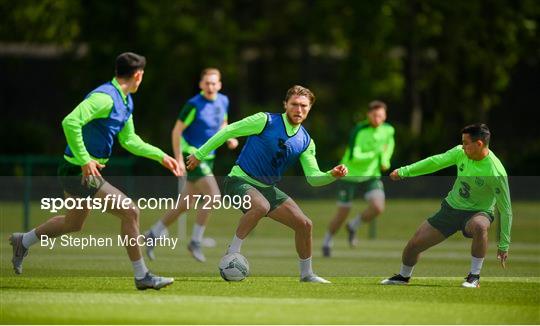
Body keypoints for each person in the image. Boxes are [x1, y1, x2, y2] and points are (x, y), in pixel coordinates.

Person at [9, 52, 180, 290]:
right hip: (76, 171)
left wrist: (161, 156)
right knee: (130, 212)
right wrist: (84, 159)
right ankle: (142, 276)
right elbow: (70, 122)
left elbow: (129, 140)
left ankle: (23, 241)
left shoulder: (125, 100)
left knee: (73, 224)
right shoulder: (105, 98)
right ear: (138, 75)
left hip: (80, 170)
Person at [186, 85, 348, 283]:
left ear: (310, 108)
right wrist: (199, 154)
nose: (299, 109)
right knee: (260, 206)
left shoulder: (305, 141)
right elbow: (228, 131)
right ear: (285, 105)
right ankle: (233, 251)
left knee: (305, 224)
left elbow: (313, 178)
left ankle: (307, 274)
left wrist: (331, 174)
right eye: (294, 104)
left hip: (267, 189)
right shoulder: (265, 120)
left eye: (304, 106)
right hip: (238, 181)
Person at [381, 123, 512, 288]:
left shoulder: (496, 171)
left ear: (479, 144)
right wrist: (404, 171)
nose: (462, 147)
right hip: (450, 209)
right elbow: (435, 162)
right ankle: (403, 276)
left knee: (480, 226)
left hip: (478, 213)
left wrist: (504, 244)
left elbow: (505, 209)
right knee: (413, 246)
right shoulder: (460, 153)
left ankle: (474, 277)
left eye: (466, 143)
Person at [144, 68, 238, 262]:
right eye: (207, 83)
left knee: (184, 205)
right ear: (201, 84)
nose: (210, 86)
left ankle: (153, 233)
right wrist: (178, 158)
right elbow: (176, 131)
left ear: (219, 85)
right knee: (214, 196)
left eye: (214, 83)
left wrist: (230, 137)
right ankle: (195, 241)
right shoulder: (193, 105)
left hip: (208, 156)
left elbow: (223, 123)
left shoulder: (223, 101)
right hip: (192, 154)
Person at [322, 101, 394, 257]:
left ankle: (353, 226)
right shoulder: (359, 130)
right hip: (350, 174)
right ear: (368, 115)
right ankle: (327, 241)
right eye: (374, 115)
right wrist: (375, 153)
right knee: (342, 213)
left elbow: (389, 146)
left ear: (385, 116)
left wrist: (385, 161)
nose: (377, 119)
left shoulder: (388, 130)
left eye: (380, 115)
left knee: (378, 207)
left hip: (371, 176)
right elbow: (355, 156)